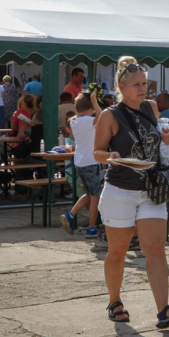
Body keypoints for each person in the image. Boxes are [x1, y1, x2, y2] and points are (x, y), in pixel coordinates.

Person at [93, 56, 169, 328]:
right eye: (136, 84)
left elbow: (157, 146)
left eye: (145, 83)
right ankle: (115, 301)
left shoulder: (150, 108)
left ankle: (164, 311)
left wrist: (166, 140)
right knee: (118, 251)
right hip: (120, 190)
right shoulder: (109, 115)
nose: (143, 88)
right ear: (122, 88)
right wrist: (110, 155)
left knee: (156, 249)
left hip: (151, 189)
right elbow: (96, 152)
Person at [61, 93, 104, 238]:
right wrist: (95, 102)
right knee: (95, 196)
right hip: (91, 162)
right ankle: (92, 227)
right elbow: (102, 117)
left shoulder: (74, 121)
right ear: (90, 109)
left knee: (89, 194)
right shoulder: (87, 120)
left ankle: (71, 214)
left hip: (80, 162)